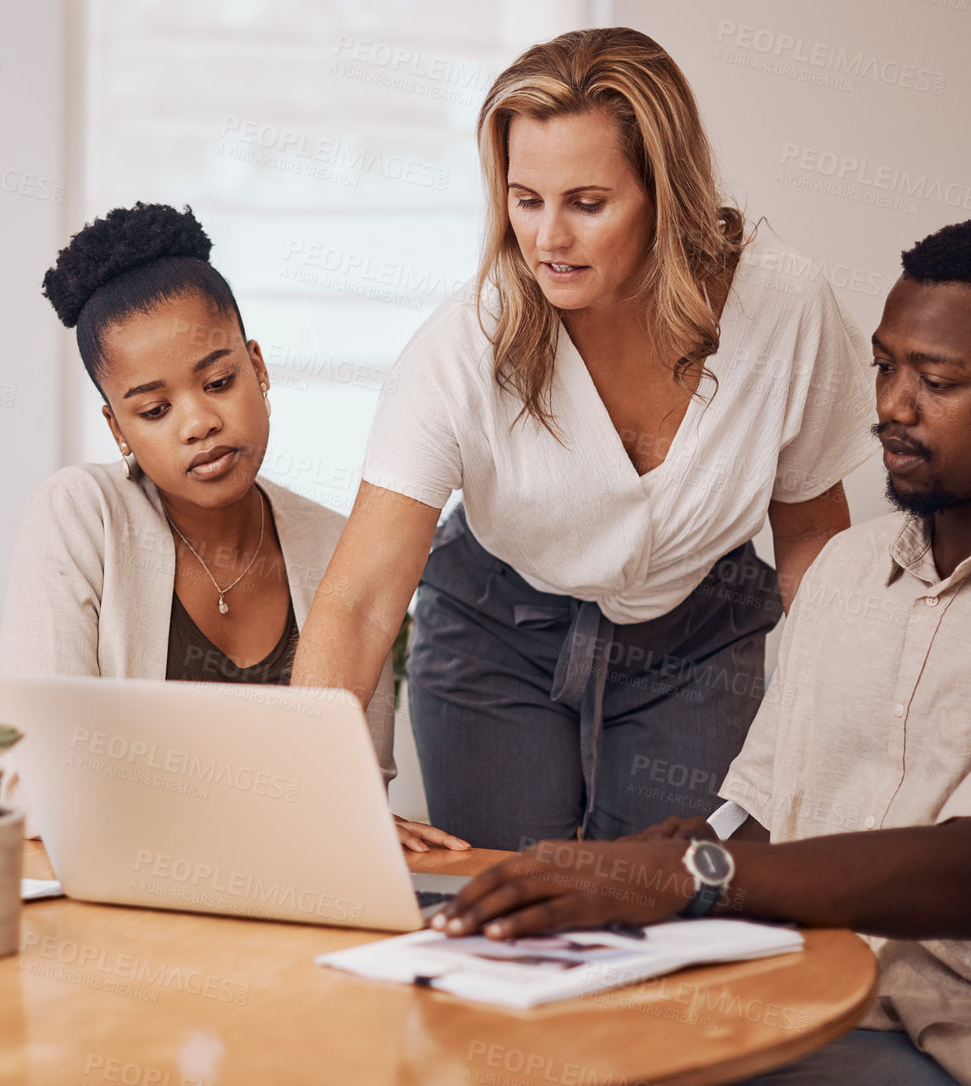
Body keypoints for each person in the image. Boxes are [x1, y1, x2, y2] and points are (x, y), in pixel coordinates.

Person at [430, 214, 971, 1086]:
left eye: (937, 381)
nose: (890, 406)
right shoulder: (844, 569)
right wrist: (660, 852)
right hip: (772, 989)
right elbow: (761, 813)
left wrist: (689, 871)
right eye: (884, 366)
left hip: (944, 1043)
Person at [291, 27, 874, 849]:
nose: (547, 242)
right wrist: (323, 799)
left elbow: (812, 536)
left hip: (702, 632)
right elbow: (358, 600)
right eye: (525, 200)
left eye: (586, 204)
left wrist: (824, 742)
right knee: (507, 907)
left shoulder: (783, 308)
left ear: (665, 193)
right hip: (496, 628)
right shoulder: (464, 344)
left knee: (672, 915)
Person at [0, 204, 456, 852]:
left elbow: (352, 784)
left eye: (219, 381)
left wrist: (355, 820)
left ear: (258, 369)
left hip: (288, 894)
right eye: (154, 409)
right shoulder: (77, 516)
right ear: (118, 429)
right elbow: (35, 768)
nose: (197, 421)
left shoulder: (337, 547)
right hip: (110, 899)